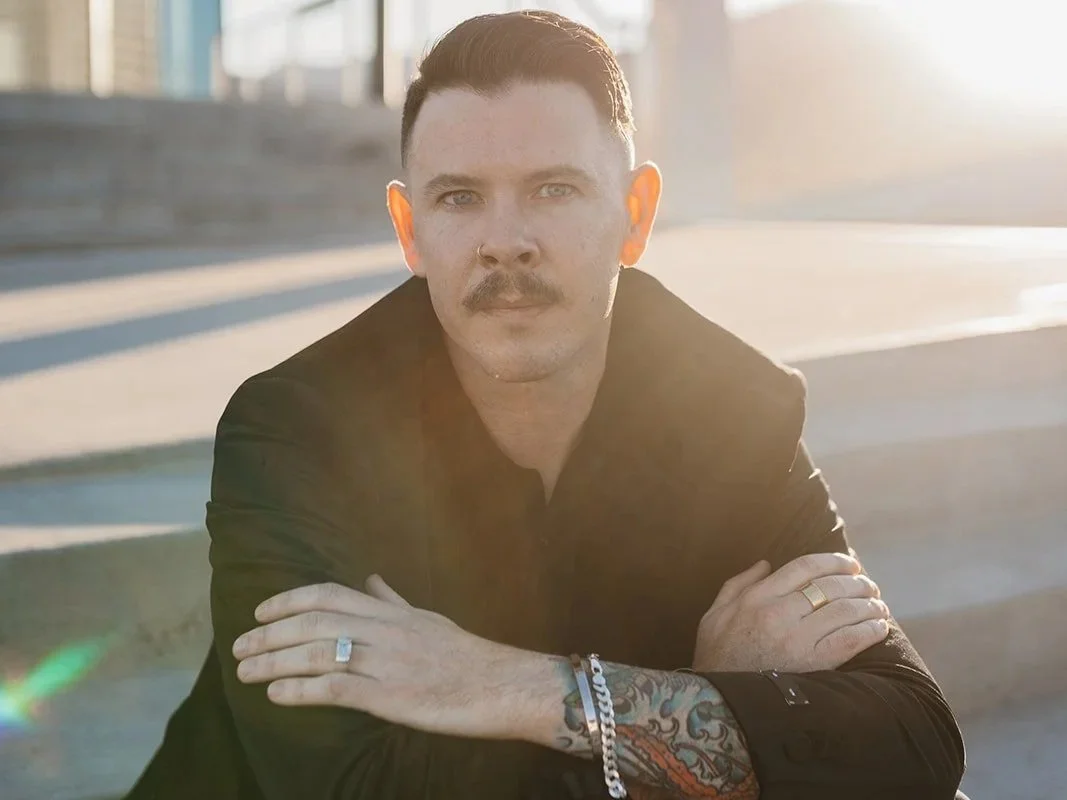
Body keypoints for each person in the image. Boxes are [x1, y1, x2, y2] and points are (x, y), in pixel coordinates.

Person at [126, 10, 968, 800]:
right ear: (409, 228)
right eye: (458, 198)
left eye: (553, 190)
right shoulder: (295, 431)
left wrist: (509, 686)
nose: (505, 241)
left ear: (634, 214)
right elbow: (351, 785)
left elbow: (913, 745)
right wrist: (704, 696)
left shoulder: (737, 409)